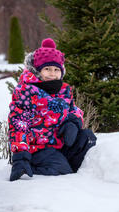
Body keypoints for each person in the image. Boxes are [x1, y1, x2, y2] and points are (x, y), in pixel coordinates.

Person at [8, 38, 97, 181]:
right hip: (37, 149)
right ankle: (32, 166)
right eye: (47, 69)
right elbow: (19, 124)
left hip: (58, 144)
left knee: (87, 138)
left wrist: (72, 123)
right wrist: (20, 157)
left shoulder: (64, 90)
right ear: (37, 71)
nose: (52, 73)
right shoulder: (27, 92)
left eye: (56, 70)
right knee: (62, 170)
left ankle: (75, 170)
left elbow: (74, 110)